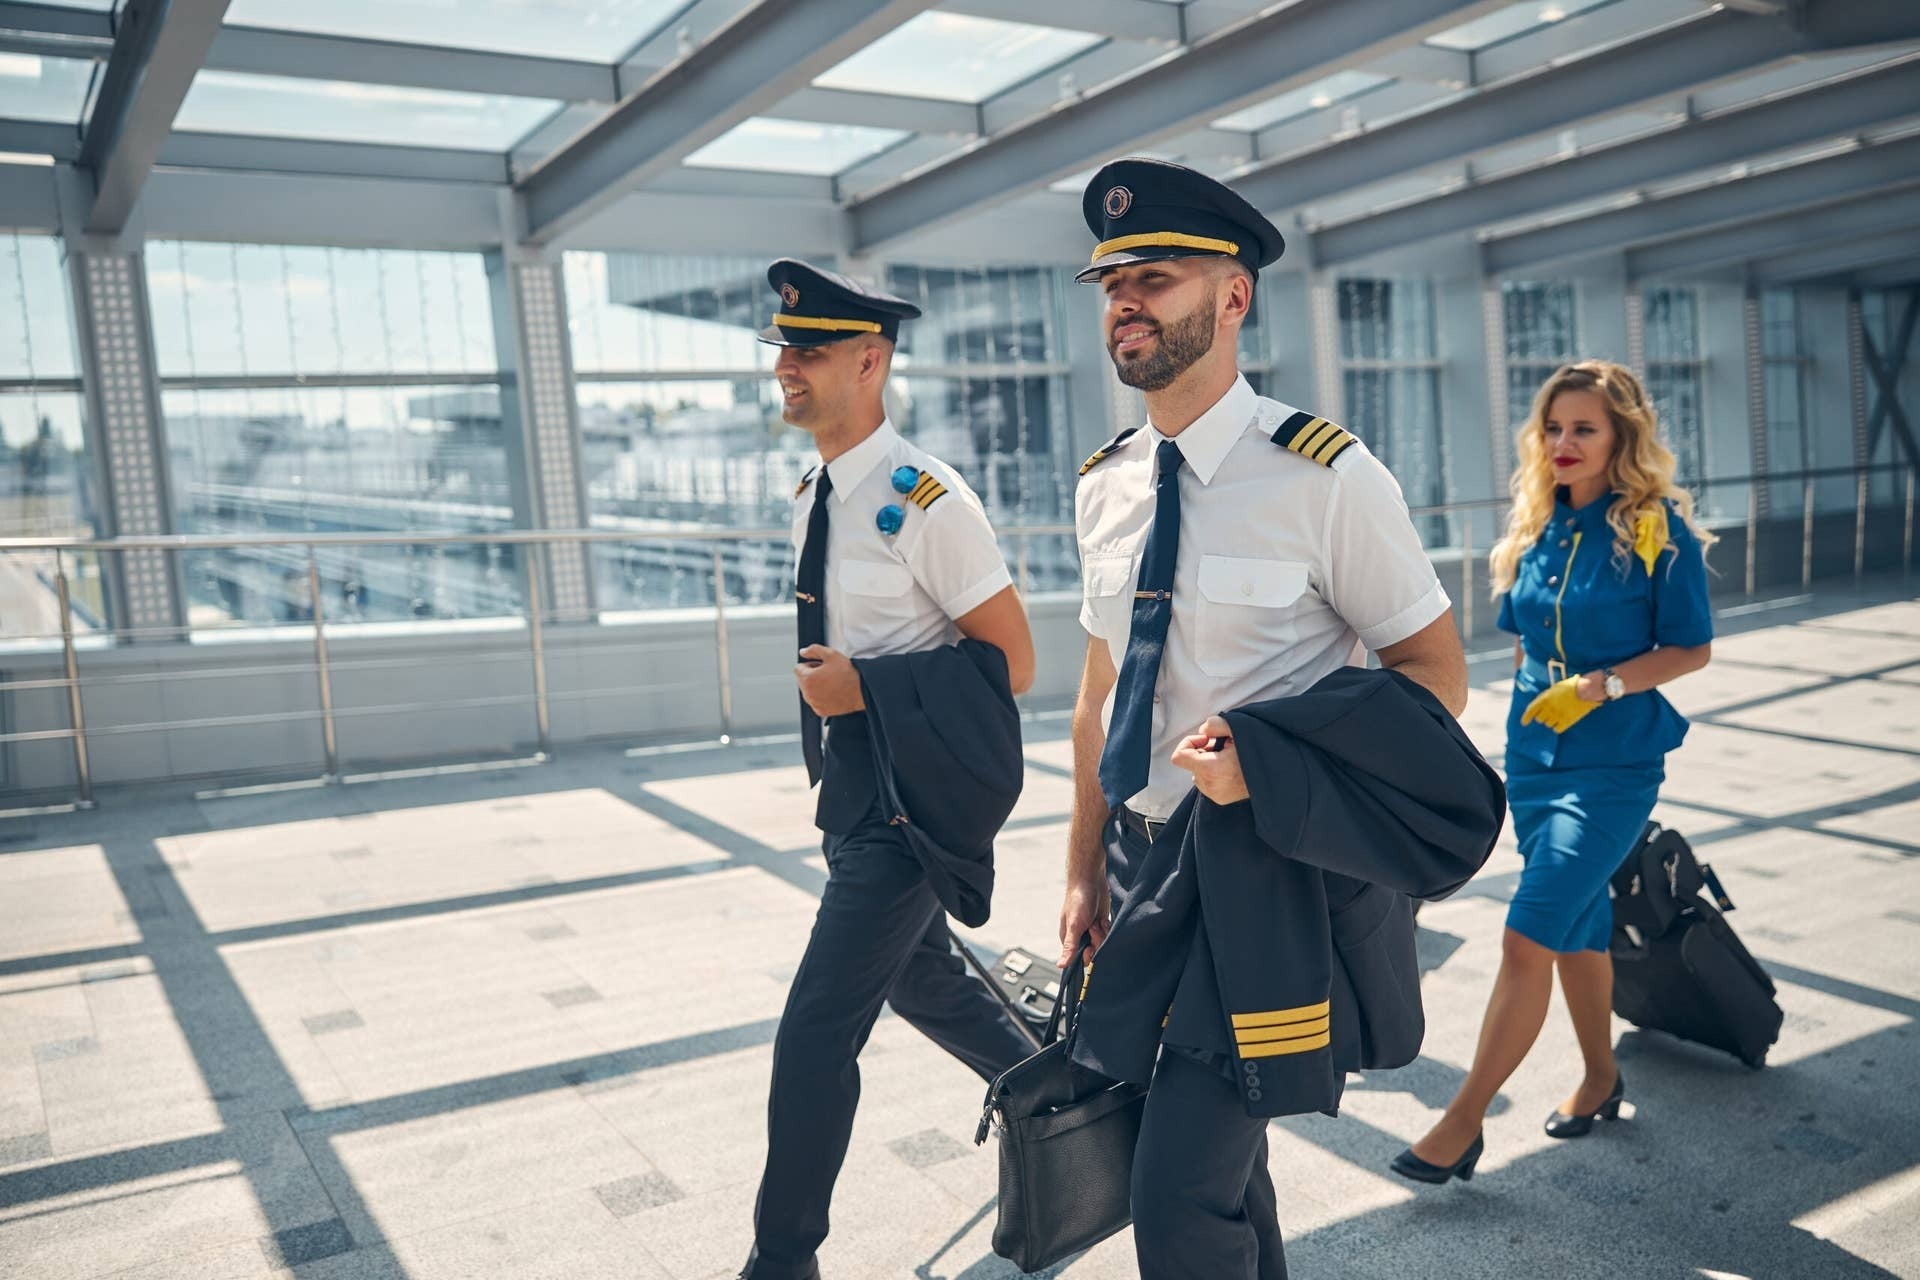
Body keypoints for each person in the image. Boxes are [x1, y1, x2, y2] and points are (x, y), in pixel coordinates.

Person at [1057, 158, 1472, 1279]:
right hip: (1145, 865)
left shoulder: (1325, 476)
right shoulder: (1104, 485)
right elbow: (1099, 699)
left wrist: (1275, 758)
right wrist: (1084, 865)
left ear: (1232, 298)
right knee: (1226, 1176)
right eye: (1111, 282)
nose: (1125, 300)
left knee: (1177, 1196)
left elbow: (1434, 673)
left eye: (1156, 276)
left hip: (1263, 872)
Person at [739, 260, 1039, 1280]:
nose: (785, 365)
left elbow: (1014, 664)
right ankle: (1071, 1103)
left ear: (869, 360)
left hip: (912, 799)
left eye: (807, 349)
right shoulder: (817, 488)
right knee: (925, 982)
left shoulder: (928, 499)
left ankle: (783, 1258)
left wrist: (864, 687)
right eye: (783, 347)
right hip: (858, 785)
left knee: (815, 1033)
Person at [1391, 358, 1715, 1185]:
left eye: (1585, 428)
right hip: (1535, 756)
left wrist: (1603, 683)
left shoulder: (1654, 527)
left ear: (1621, 438)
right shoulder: (1537, 526)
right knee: (1576, 927)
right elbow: (1526, 634)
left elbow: (1693, 647)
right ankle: (1602, 1078)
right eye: (1553, 427)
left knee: (1528, 929)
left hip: (1614, 763)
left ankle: (1463, 1122)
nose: (1564, 443)